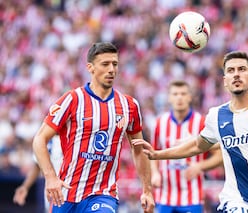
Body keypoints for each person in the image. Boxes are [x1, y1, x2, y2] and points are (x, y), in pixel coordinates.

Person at [132, 51, 248, 213]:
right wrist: (157, 154)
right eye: (231, 70)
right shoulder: (216, 115)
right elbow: (197, 146)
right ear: (225, 80)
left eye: (241, 69)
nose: (236, 74)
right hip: (238, 201)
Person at [32, 42, 155, 213]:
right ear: (90, 67)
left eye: (115, 64)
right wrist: (50, 177)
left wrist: (147, 190)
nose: (111, 69)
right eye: (105, 64)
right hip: (66, 192)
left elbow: (139, 150)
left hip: (104, 193)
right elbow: (39, 140)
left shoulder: (129, 105)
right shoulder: (73, 100)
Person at [150, 80, 222, 213]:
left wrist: (200, 166)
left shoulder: (201, 122)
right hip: (164, 195)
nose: (179, 97)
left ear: (190, 97)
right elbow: (153, 153)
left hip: (192, 195)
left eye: (183, 93)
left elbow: (220, 155)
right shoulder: (160, 123)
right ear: (169, 97)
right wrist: (154, 173)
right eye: (175, 94)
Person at [13, 136, 63, 212]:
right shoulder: (47, 139)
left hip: (77, 191)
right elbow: (37, 165)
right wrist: (25, 186)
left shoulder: (78, 136)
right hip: (54, 193)